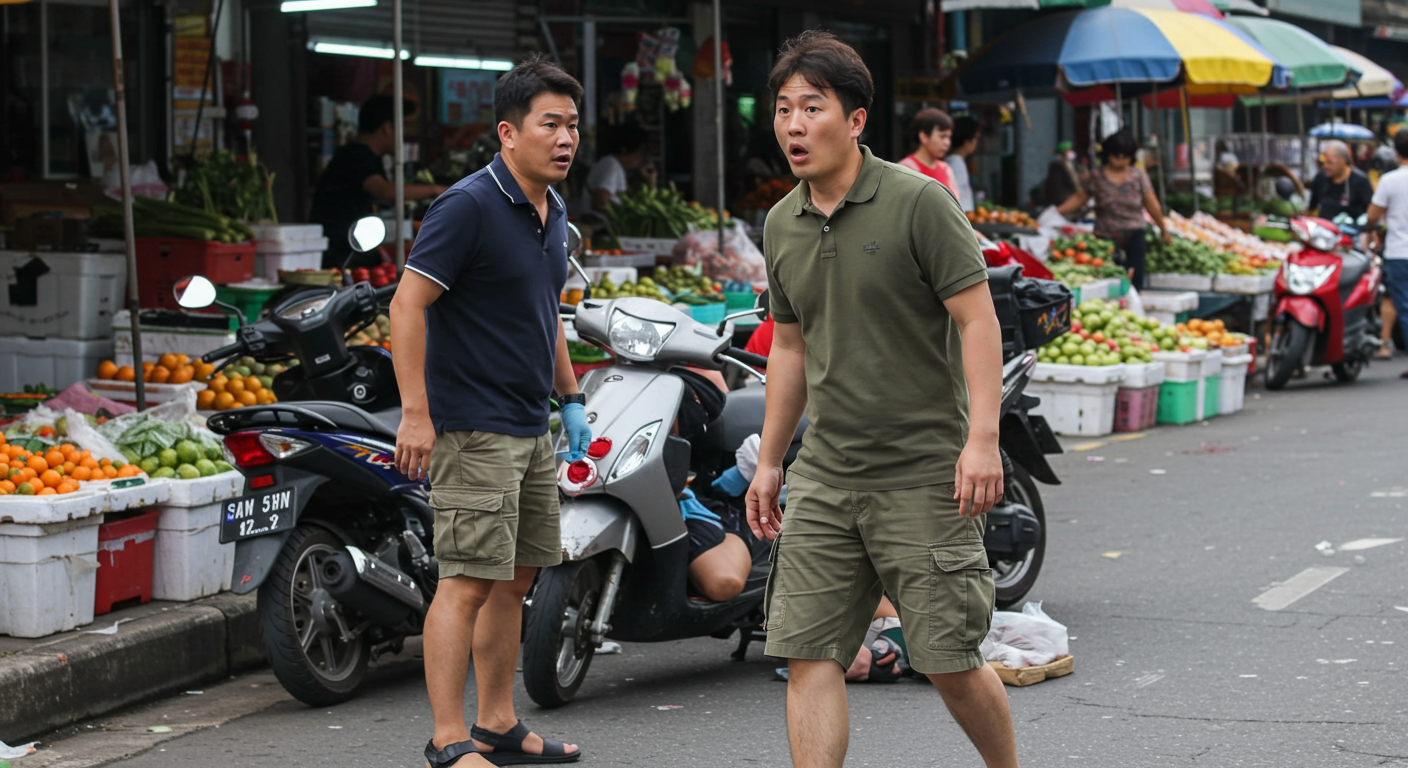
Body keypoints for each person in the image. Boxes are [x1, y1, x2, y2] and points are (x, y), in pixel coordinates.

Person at [748, 30, 1017, 768]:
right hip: (827, 478)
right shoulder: (780, 224)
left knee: (950, 660)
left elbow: (977, 318)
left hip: (922, 475)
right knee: (808, 654)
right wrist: (772, 461)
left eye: (812, 107)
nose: (794, 125)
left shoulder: (918, 203)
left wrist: (983, 438)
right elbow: (791, 346)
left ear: (856, 118)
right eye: (783, 109)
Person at [389, 56, 589, 768]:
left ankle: (497, 723)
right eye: (550, 124)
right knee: (467, 580)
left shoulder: (553, 209)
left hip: (530, 424)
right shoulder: (467, 205)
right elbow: (406, 304)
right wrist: (416, 412)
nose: (566, 138)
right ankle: (448, 740)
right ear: (508, 132)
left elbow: (547, 315)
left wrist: (571, 400)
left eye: (572, 125)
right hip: (473, 427)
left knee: (517, 578)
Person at [310, 95, 448, 269]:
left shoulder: (371, 157)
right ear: (388, 128)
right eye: (404, 127)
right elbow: (386, 191)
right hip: (343, 254)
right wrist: (435, 190)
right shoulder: (355, 155)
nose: (405, 136)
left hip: (358, 247)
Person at [1057, 130, 1172, 290]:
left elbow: (1151, 202)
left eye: (1125, 156)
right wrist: (1057, 212)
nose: (1121, 160)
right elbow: (1080, 197)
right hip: (1105, 237)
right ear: (1108, 155)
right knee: (1106, 277)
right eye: (1116, 156)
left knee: (1135, 276)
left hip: (1134, 234)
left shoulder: (1138, 176)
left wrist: (1163, 228)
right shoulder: (1096, 177)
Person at [1366, 128, 1408, 376]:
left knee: (1405, 306)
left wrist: (1372, 227)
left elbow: (1373, 215)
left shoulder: (1390, 180)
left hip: (1399, 252)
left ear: (1396, 152)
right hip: (1398, 251)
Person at [586, 120, 657, 212]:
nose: (640, 160)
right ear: (625, 150)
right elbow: (601, 200)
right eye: (639, 154)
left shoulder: (613, 165)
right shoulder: (611, 165)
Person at [1308, 140, 1374, 221]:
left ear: (1342, 160)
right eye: (1324, 162)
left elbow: (1371, 212)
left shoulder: (1360, 181)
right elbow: (1311, 208)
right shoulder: (1321, 178)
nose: (1325, 166)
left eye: (1329, 162)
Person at [897, 108, 957, 194]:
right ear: (924, 137)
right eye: (942, 136)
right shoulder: (906, 168)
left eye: (949, 137)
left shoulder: (946, 169)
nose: (947, 143)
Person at [946, 116, 981, 212]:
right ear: (966, 142)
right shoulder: (956, 164)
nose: (976, 142)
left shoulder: (953, 161)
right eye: (975, 138)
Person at [1043, 141, 1080, 209]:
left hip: (1056, 198)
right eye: (1070, 150)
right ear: (1064, 152)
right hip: (1063, 198)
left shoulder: (1055, 165)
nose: (1072, 152)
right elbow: (1074, 181)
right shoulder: (1065, 165)